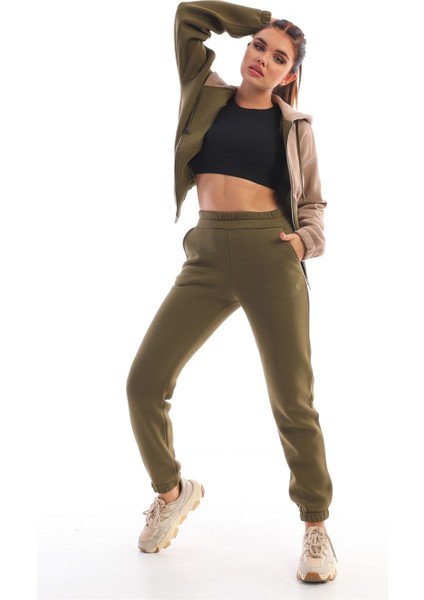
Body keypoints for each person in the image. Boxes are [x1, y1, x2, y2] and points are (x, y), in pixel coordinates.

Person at [126, 0, 337, 583]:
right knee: (144, 382)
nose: (263, 59)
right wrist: (261, 19)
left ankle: (316, 526)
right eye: (258, 46)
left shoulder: (294, 126)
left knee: (293, 401)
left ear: (291, 73)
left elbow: (314, 203)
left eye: (279, 57)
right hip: (206, 254)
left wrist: (302, 244)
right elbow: (188, 17)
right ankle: (172, 493)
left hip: (270, 253)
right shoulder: (205, 92)